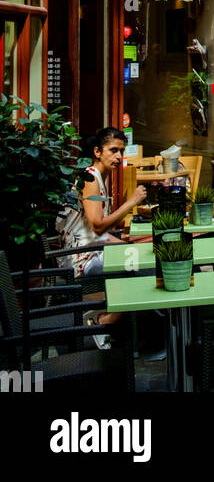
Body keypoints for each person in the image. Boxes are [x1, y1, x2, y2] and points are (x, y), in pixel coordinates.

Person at [58, 127, 147, 346]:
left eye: (122, 151)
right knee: (136, 266)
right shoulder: (89, 178)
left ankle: (129, 333)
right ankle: (104, 321)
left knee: (142, 256)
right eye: (113, 150)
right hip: (79, 259)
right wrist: (131, 202)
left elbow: (98, 232)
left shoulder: (100, 178)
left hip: (92, 250)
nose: (119, 156)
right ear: (98, 152)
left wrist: (128, 242)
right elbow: (98, 227)